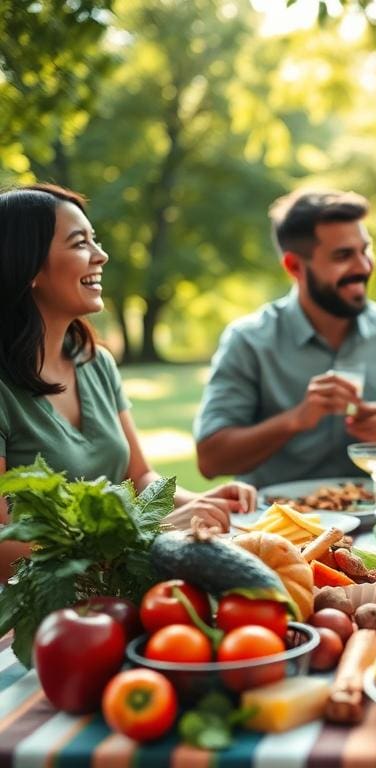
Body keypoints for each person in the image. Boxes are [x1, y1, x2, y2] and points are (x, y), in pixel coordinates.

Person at [0, 184, 257, 578]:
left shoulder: (96, 362)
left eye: (95, 239)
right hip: (37, 605)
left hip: (121, 592)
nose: (100, 255)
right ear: (29, 266)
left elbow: (137, 478)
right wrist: (147, 533)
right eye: (79, 243)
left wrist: (199, 502)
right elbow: (6, 547)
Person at [194, 189, 376, 487]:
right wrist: (295, 420)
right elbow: (211, 460)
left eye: (365, 250)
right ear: (294, 266)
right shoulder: (249, 341)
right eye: (343, 255)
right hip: (276, 513)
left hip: (372, 509)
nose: (363, 266)